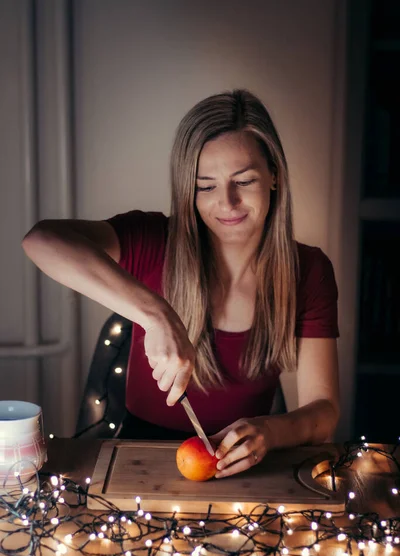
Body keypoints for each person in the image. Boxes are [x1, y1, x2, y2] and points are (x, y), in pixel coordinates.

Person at [22, 89, 340, 479]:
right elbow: (41, 241)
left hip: (249, 470)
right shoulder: (152, 239)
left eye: (244, 180)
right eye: (206, 186)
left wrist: (271, 431)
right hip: (138, 459)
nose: (227, 202)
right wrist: (157, 315)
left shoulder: (309, 270)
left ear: (274, 176)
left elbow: (324, 411)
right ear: (188, 189)